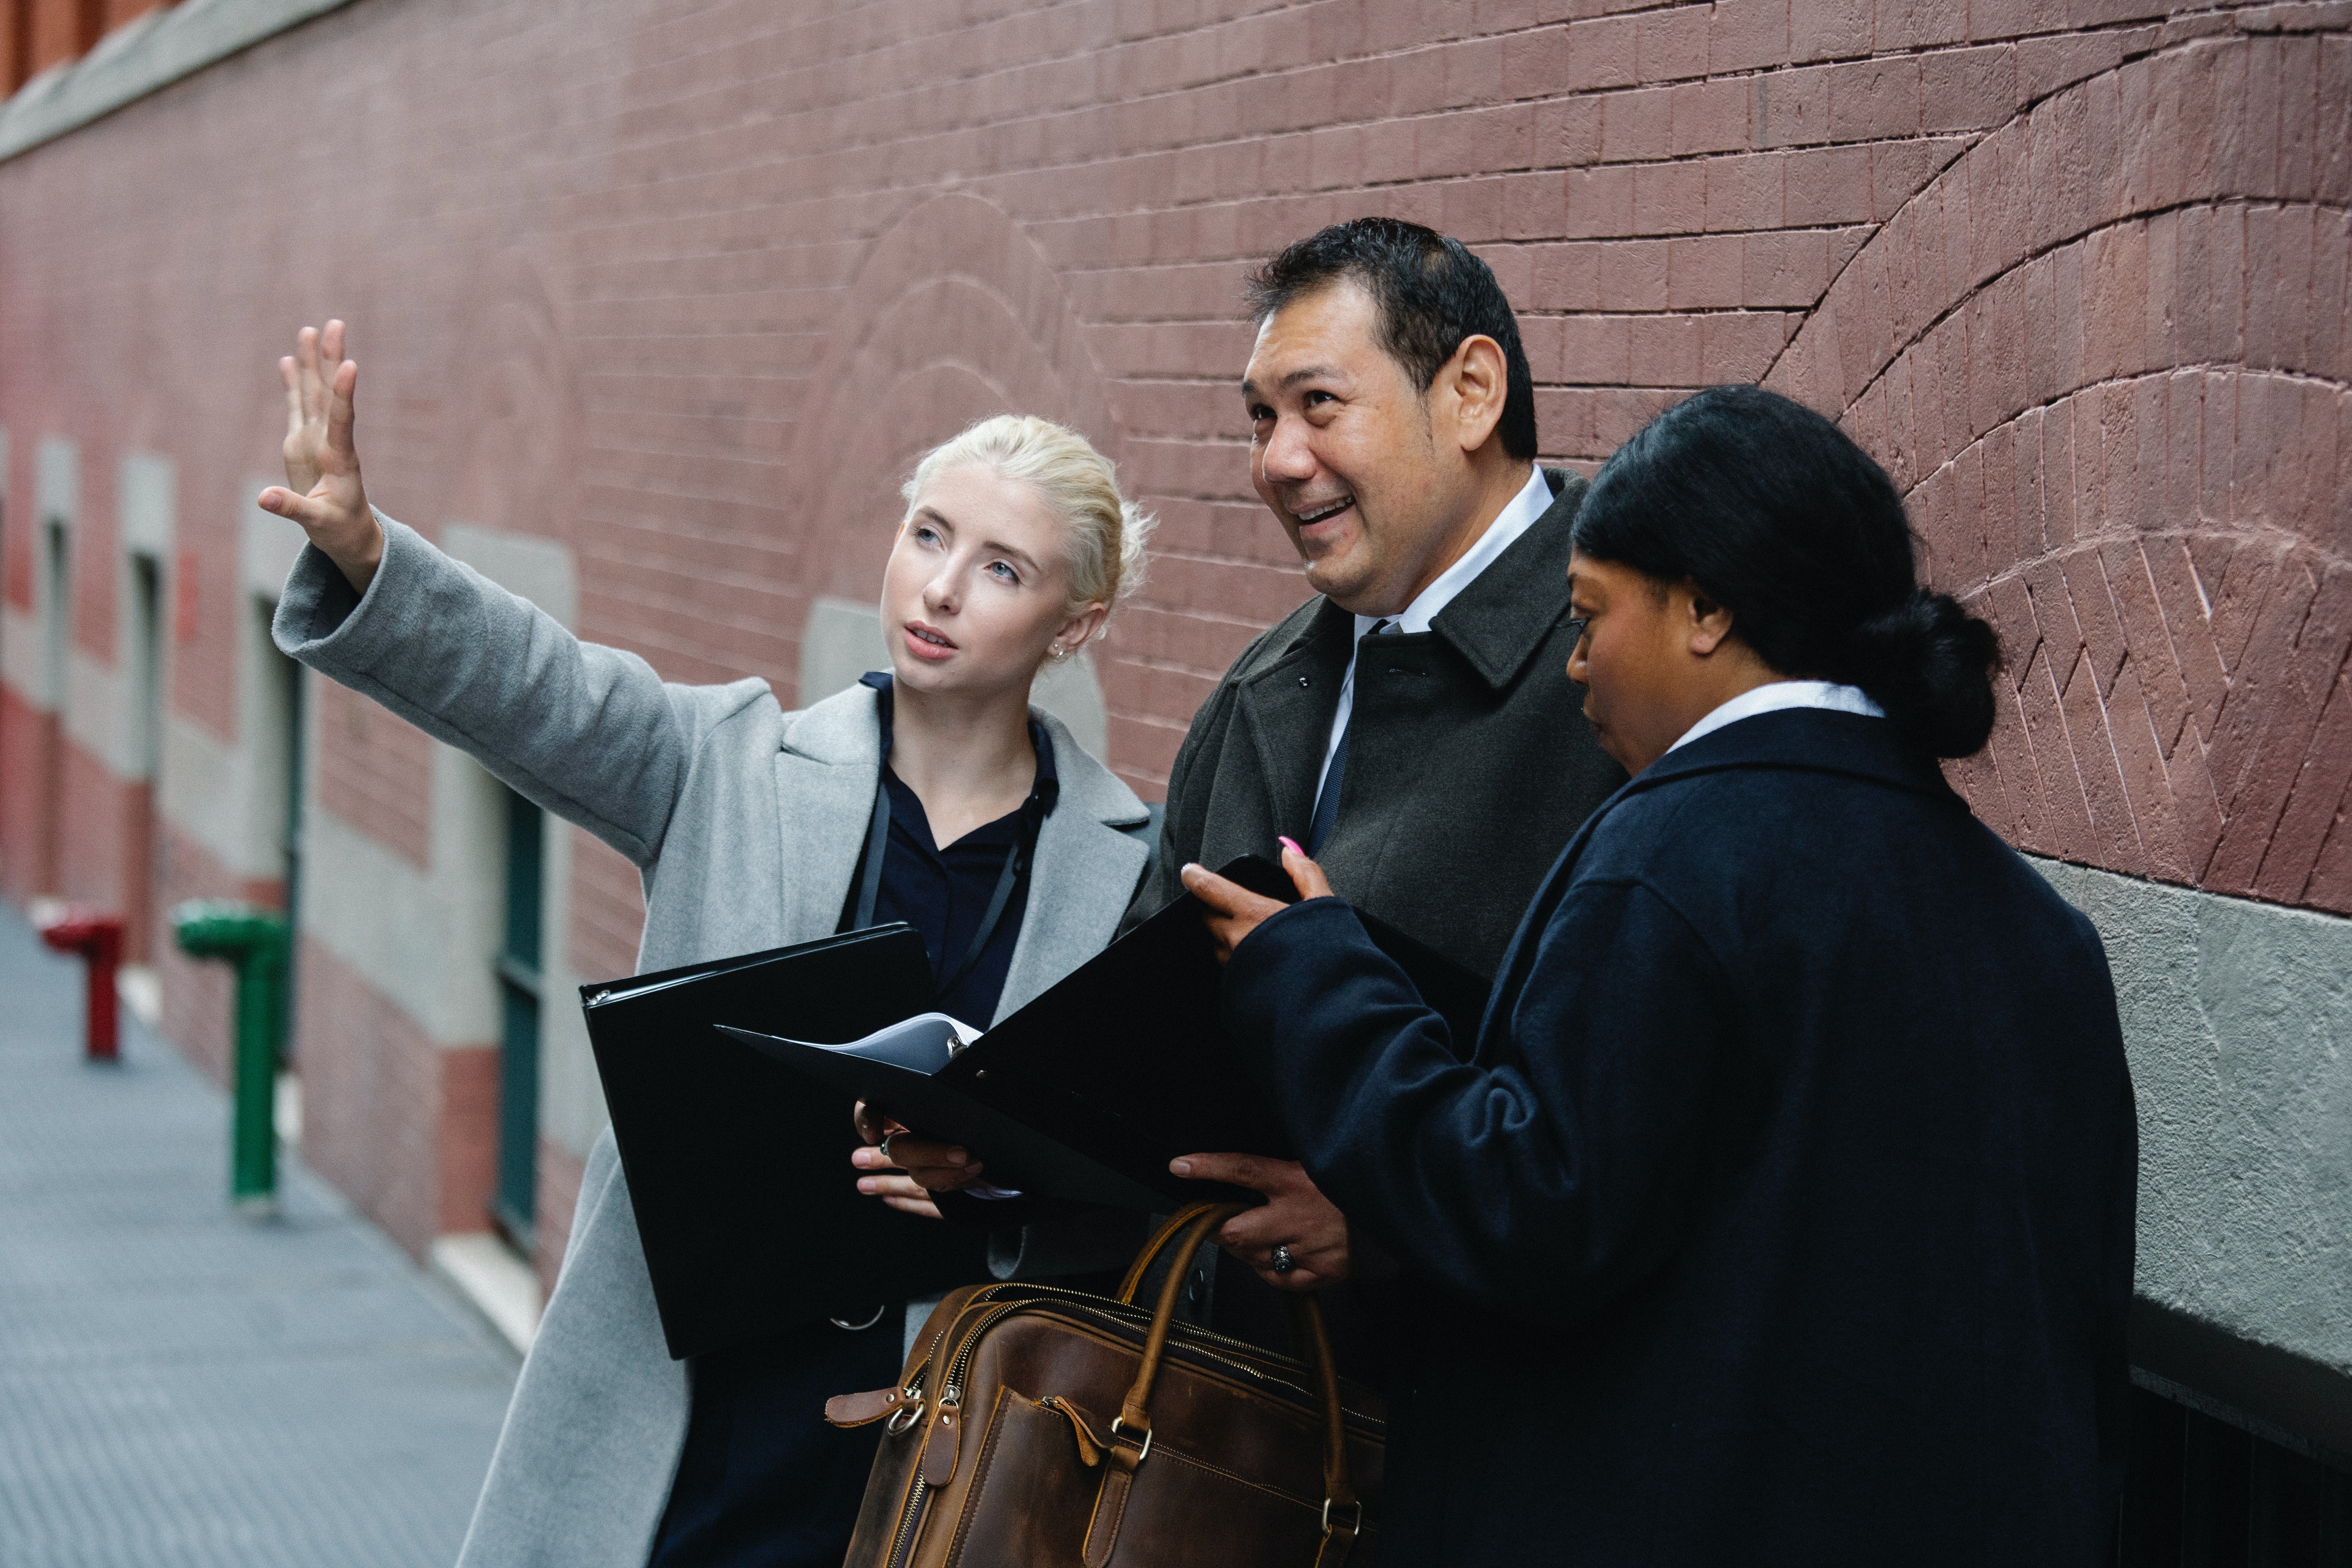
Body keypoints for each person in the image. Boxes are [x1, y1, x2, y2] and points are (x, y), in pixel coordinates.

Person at [1183, 383, 2139, 1561]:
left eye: (1590, 616)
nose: (1578, 666)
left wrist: (1316, 972)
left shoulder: (1676, 853)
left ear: (1705, 608)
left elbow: (1533, 1208)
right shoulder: (2044, 934)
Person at [259, 321, 1161, 1568]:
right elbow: (538, 685)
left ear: (1076, 625)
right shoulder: (727, 763)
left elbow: (1146, 1185)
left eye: (1005, 569)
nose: (942, 588)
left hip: (948, 1450)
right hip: (699, 1419)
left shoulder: (1127, 872)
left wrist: (997, 1189)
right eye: (930, 536)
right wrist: (366, 551)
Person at [883, 218, 1626, 1338]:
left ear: (1472, 392)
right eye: (1261, 418)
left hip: (1483, 1455)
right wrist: (990, 1151)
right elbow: (1131, 1056)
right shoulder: (1259, 696)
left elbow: (1659, 1122)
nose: (1277, 459)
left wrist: (1383, 1226)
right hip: (1224, 1441)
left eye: (1319, 405)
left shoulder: (1624, 682)